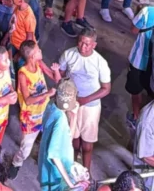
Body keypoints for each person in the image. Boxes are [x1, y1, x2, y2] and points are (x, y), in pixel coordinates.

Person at [58, 28, 111, 173]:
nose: (83, 47)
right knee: (73, 139)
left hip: (91, 106)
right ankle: (73, 169)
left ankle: (86, 174)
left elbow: (106, 88)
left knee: (87, 145)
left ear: (94, 45)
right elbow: (60, 75)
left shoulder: (100, 62)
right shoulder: (68, 54)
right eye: (81, 42)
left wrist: (85, 100)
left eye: (87, 44)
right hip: (72, 103)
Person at [8, 40, 61, 178]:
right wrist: (47, 94)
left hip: (44, 111)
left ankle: (46, 163)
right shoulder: (22, 74)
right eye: (38, 51)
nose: (41, 51)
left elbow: (56, 79)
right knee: (25, 149)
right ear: (32, 56)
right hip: (30, 116)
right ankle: (16, 163)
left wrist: (55, 71)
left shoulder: (39, 64)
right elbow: (28, 100)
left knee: (50, 138)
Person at [38, 78, 82, 191]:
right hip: (56, 175)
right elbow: (53, 156)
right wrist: (71, 184)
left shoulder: (51, 105)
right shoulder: (60, 120)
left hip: (48, 169)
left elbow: (67, 138)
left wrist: (74, 116)